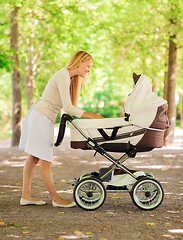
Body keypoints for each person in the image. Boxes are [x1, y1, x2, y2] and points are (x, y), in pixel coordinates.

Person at [19, 50, 103, 208]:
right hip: (41, 117)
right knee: (45, 161)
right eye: (88, 66)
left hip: (41, 115)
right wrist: (91, 116)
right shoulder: (63, 75)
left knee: (33, 158)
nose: (89, 70)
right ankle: (56, 198)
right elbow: (68, 108)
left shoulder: (68, 77)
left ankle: (26, 196)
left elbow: (67, 107)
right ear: (79, 62)